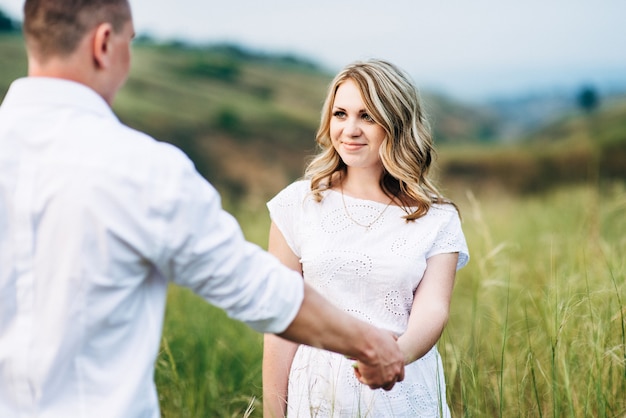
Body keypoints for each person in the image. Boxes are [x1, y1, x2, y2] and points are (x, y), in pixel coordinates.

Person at [0, 2, 406, 417]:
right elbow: (258, 289)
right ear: (104, 44)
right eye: (130, 41)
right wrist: (371, 345)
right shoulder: (143, 170)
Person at [263, 59, 470, 417]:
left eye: (368, 116)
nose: (350, 129)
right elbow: (281, 322)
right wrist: (273, 413)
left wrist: (391, 359)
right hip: (317, 391)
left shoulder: (438, 217)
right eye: (340, 114)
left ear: (397, 123)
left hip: (401, 388)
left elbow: (433, 310)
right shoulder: (296, 205)